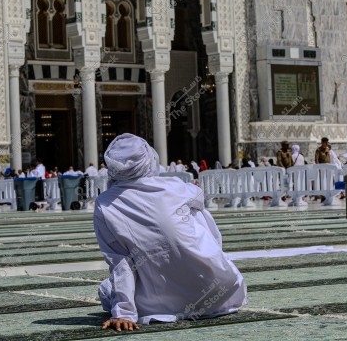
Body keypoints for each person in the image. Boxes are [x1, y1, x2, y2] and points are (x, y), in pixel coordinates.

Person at [94, 134, 247, 331]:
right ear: (150, 159)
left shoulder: (105, 203)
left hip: (156, 304)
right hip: (219, 291)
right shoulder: (178, 187)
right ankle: (214, 266)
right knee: (197, 215)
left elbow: (120, 262)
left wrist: (124, 313)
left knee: (106, 290)